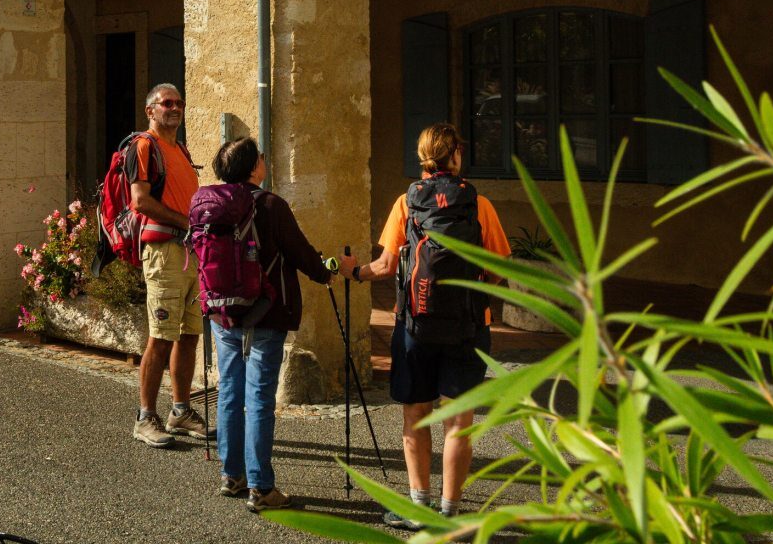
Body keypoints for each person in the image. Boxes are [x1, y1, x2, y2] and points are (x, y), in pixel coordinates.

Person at [354, 123, 510, 526]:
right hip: (469, 326)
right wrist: (473, 293)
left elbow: (385, 266)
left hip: (414, 325)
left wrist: (355, 273)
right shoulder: (478, 204)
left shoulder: (406, 203)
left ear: (423, 157)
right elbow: (499, 267)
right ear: (454, 154)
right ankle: (450, 512)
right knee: (458, 422)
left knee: (416, 414)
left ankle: (418, 508)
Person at [206, 136, 334, 511]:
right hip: (266, 311)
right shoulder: (271, 205)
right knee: (260, 399)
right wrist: (325, 273)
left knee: (230, 392)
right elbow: (300, 252)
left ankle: (232, 475)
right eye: (260, 156)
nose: (264, 160)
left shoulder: (212, 205)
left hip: (223, 313)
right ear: (253, 167)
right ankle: (261, 488)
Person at [129, 82, 207, 448]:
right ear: (151, 110)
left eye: (179, 103)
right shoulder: (144, 146)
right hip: (163, 252)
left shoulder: (180, 149)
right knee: (161, 336)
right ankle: (145, 417)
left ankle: (180, 410)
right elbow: (140, 201)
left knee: (189, 335)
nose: (174, 108)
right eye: (166, 103)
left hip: (189, 252)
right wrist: (187, 223)